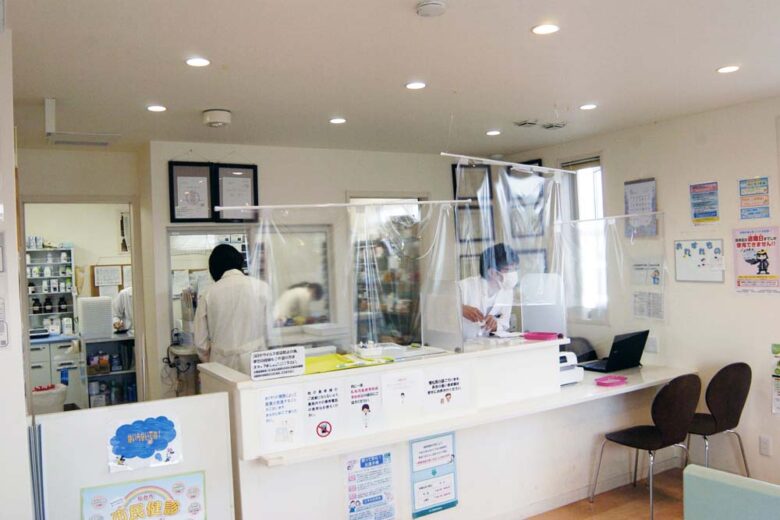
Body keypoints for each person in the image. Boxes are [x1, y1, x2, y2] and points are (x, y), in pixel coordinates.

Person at [194, 244, 271, 372]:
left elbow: (200, 343)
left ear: (214, 268)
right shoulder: (261, 287)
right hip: (257, 360)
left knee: (224, 386)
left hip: (221, 363)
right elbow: (270, 329)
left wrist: (210, 362)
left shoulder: (209, 294)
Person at [458, 243, 519, 339]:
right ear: (492, 272)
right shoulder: (463, 287)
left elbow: (504, 323)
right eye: (508, 270)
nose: (513, 274)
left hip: (485, 344)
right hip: (460, 344)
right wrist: (460, 309)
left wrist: (495, 325)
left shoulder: (507, 291)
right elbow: (439, 310)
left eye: (515, 269)